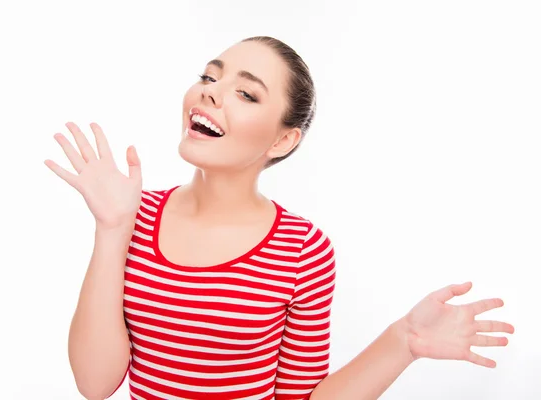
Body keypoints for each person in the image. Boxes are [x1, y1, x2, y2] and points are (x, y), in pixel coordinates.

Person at [44, 36, 514, 400]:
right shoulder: (134, 213)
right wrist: (111, 230)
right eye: (209, 78)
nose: (210, 94)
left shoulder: (302, 248)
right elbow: (95, 384)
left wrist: (404, 341)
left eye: (246, 94)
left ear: (282, 142)